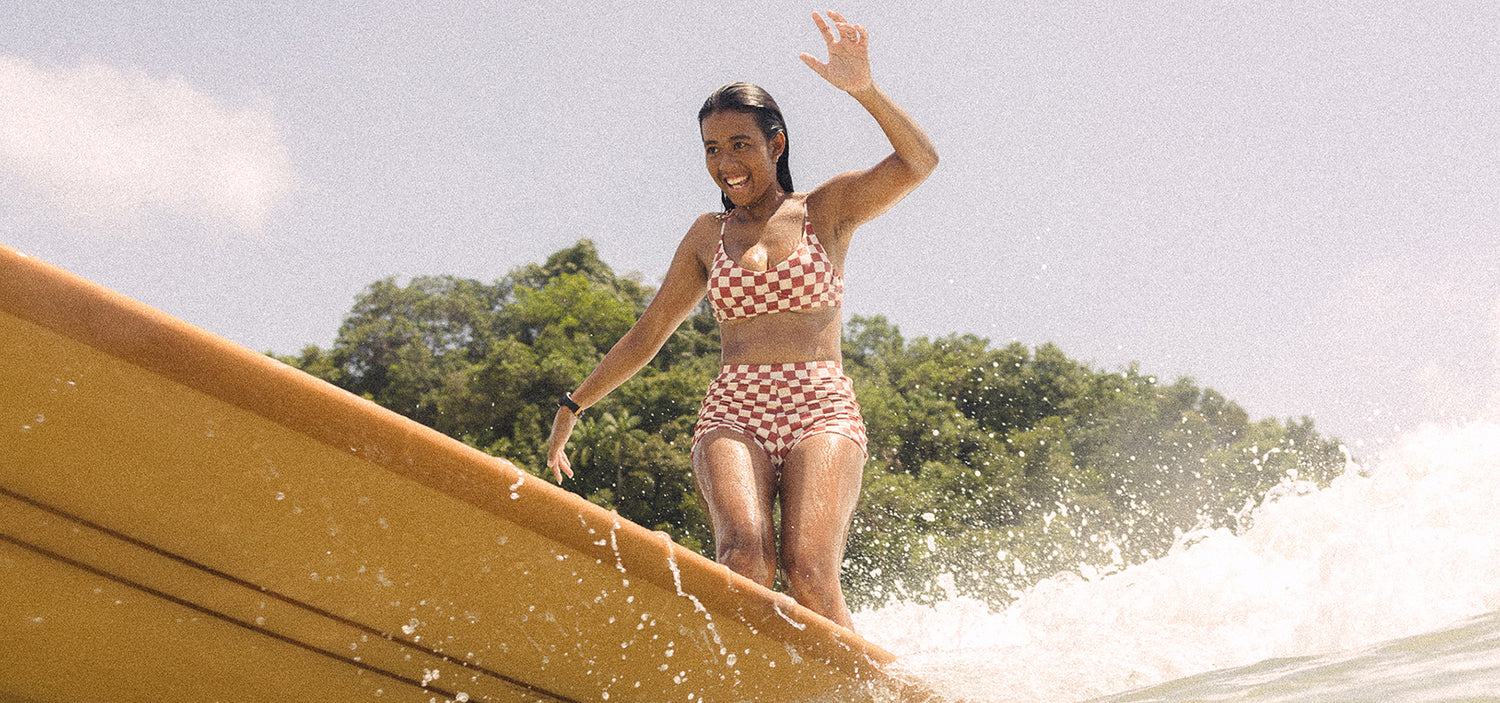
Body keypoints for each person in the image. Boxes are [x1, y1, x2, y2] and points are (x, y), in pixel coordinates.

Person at [545, 10, 937, 630]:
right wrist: (574, 404)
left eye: (739, 144)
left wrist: (864, 90)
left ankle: (864, 692)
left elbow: (919, 163)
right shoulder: (708, 235)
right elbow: (648, 334)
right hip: (736, 408)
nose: (725, 162)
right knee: (746, 560)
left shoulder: (826, 210)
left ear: (775, 145)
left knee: (809, 574)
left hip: (821, 405)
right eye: (711, 148)